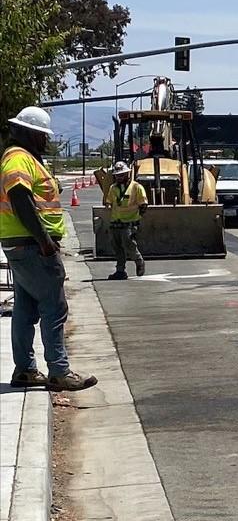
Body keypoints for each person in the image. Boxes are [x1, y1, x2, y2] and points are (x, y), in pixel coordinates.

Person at [0, 106, 96, 390]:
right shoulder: (18, 159)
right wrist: (44, 242)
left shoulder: (21, 157)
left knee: (26, 309)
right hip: (32, 246)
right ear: (29, 133)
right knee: (54, 307)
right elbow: (20, 198)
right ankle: (59, 371)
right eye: (42, 136)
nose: (45, 141)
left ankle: (26, 370)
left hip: (20, 244)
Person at [103, 160, 148, 280]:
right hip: (116, 222)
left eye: (121, 175)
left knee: (129, 245)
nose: (119, 177)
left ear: (127, 174)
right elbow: (109, 201)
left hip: (129, 223)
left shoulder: (136, 187)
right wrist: (108, 206)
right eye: (117, 175)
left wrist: (137, 219)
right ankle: (120, 271)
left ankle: (139, 261)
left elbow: (143, 204)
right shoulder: (113, 188)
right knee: (117, 247)